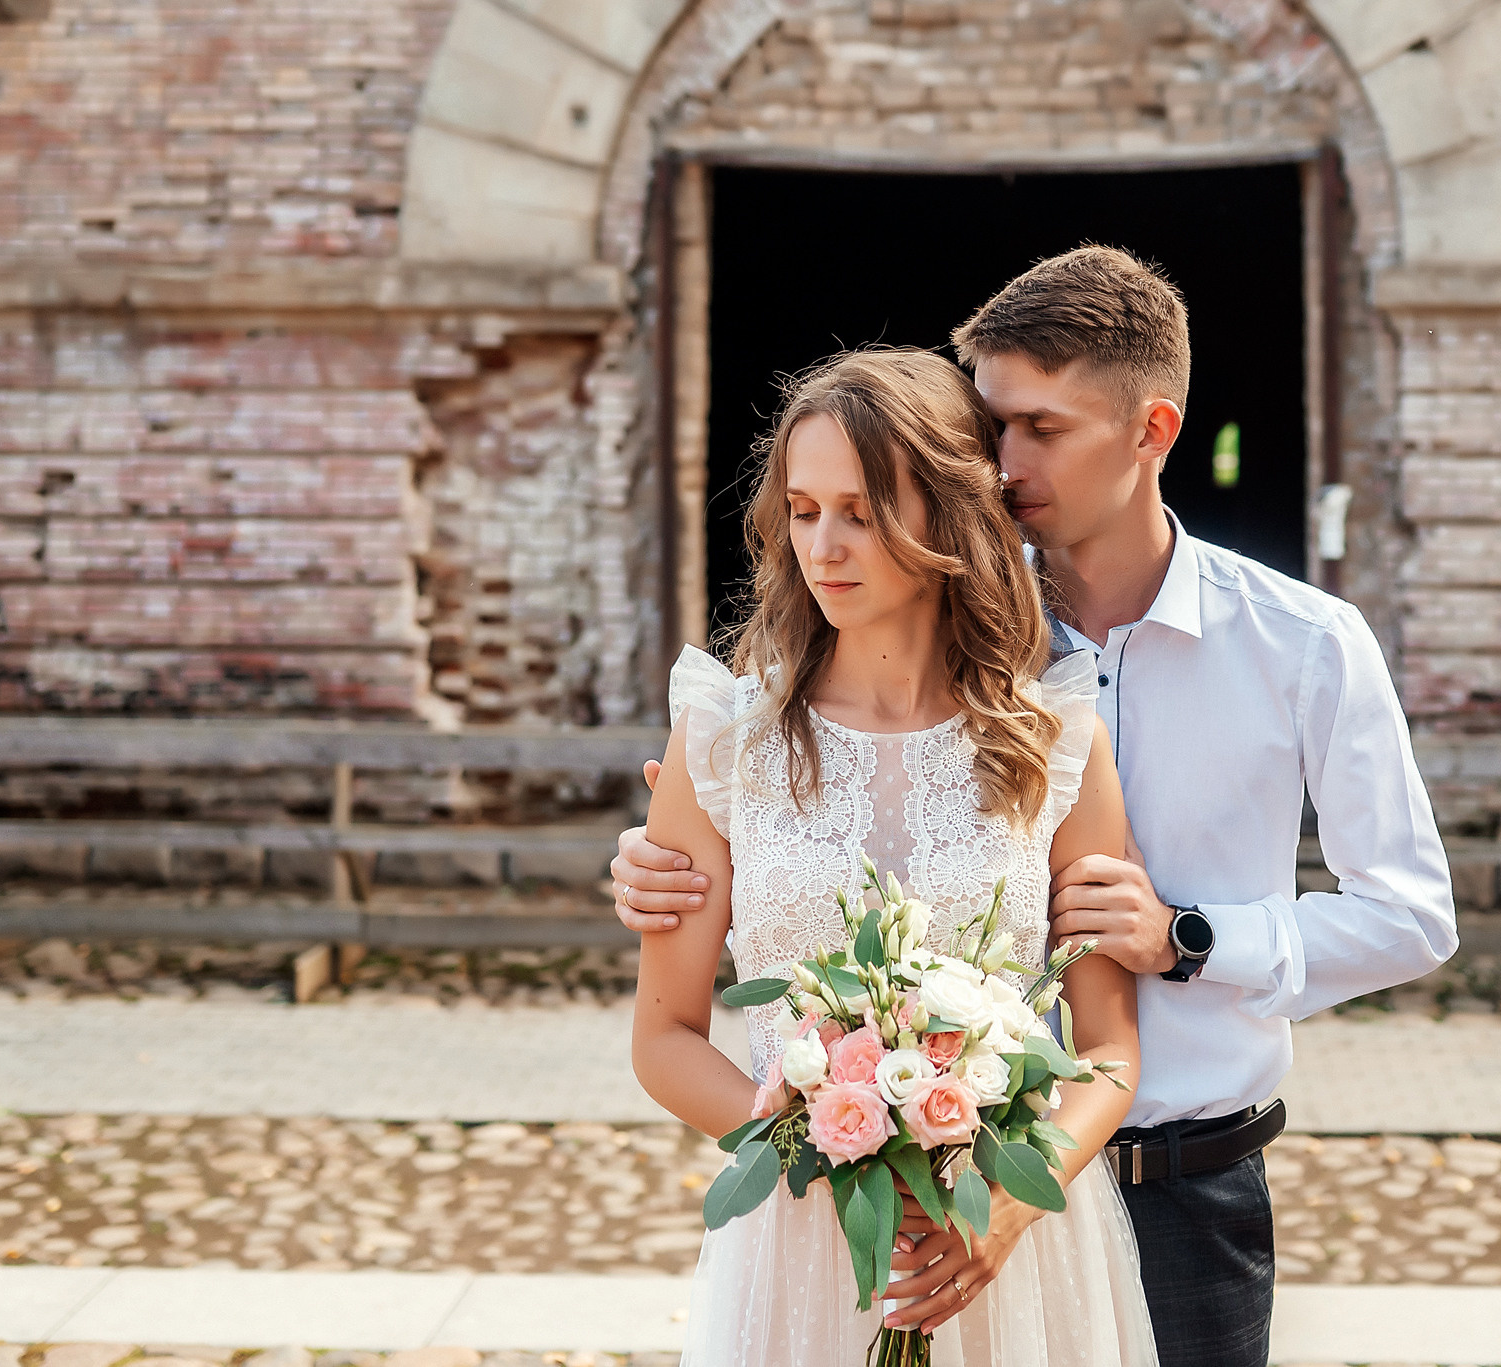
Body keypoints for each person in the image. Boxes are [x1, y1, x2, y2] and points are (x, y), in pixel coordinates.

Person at [616, 247, 1458, 1367]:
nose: (1002, 461)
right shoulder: (927, 601)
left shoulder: (1294, 647)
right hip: (847, 1211)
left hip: (1175, 1176)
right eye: (989, 427)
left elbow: (1410, 914)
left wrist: (1188, 937)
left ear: (1151, 431)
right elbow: (743, 885)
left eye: (1038, 429)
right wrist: (681, 844)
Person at [630, 347, 1158, 1364]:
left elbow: (1107, 1049)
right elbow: (663, 1037)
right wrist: (825, 1150)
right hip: (798, 1233)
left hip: (1005, 1242)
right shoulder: (720, 740)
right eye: (803, 508)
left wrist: (1005, 1200)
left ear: (949, 515)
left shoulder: (1055, 742)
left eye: (862, 511)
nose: (824, 545)